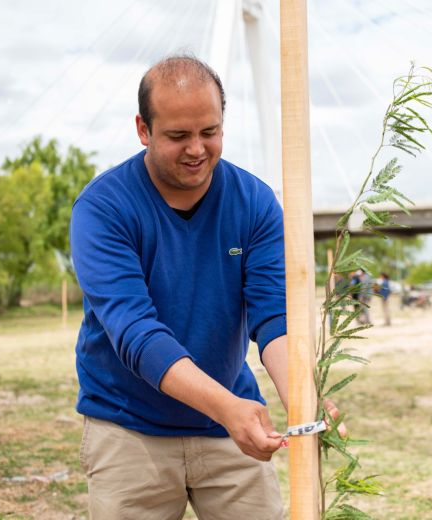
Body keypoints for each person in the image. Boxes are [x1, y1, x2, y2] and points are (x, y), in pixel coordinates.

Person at [70, 55, 342, 519]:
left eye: (209, 132)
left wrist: (303, 394)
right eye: (178, 136)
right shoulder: (102, 209)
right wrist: (227, 409)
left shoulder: (254, 202)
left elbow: (273, 318)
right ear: (143, 129)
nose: (197, 149)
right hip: (128, 429)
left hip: (229, 427)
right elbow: (137, 334)